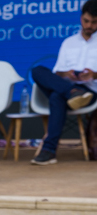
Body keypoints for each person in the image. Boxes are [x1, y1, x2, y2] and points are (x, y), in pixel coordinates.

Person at [30, 0, 97, 165]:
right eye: (86, 21)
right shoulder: (69, 42)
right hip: (69, 86)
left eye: (94, 22)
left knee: (56, 97)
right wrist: (66, 74)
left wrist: (93, 75)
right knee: (37, 70)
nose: (89, 25)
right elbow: (56, 73)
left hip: (91, 92)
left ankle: (49, 150)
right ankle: (72, 92)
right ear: (81, 18)